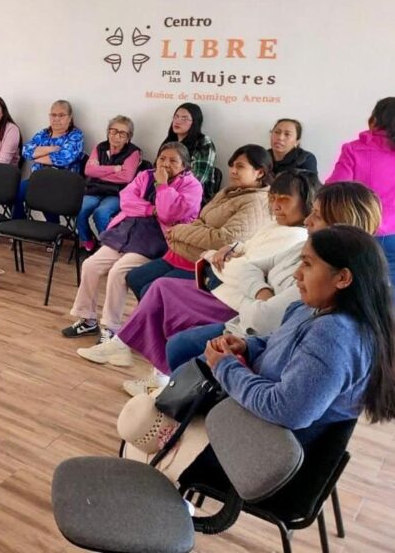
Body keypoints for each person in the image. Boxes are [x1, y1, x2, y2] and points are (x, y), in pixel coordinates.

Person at [177, 225, 395, 496]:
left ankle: (168, 507)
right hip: (261, 429)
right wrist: (247, 346)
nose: (297, 273)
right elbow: (279, 342)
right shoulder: (315, 309)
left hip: (267, 456)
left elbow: (287, 410)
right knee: (163, 417)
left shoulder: (335, 336)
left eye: (307, 264)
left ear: (343, 278)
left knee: (161, 437)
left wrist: (225, 367)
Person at [87, 171, 319, 387]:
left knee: (162, 292)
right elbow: (237, 246)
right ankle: (143, 361)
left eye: (285, 200)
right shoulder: (266, 218)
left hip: (233, 302)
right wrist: (228, 250)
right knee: (157, 287)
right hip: (219, 283)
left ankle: (154, 370)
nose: (276, 206)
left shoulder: (294, 235)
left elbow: (241, 264)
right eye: (274, 198)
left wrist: (220, 255)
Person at [165, 181, 383, 375]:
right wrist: (263, 292)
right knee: (177, 344)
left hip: (262, 346)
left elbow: (263, 320)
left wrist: (248, 297)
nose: (307, 220)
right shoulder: (303, 245)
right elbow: (249, 267)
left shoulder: (326, 277)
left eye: (317, 215)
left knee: (180, 350)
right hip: (242, 326)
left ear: (341, 224)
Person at [61, 142, 202, 344]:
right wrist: (151, 210)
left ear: (185, 166)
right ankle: (87, 319)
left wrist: (162, 186)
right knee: (90, 265)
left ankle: (111, 327)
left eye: (173, 161)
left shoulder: (192, 186)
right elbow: (126, 200)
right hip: (127, 231)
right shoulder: (145, 175)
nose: (165, 164)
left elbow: (169, 213)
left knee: (119, 272)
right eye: (162, 158)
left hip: (156, 239)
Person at [124, 144, 273, 300]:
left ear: (259, 172)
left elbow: (224, 239)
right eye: (232, 166)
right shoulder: (229, 191)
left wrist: (179, 231)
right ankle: (154, 318)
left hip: (204, 263)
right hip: (183, 251)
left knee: (151, 289)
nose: (233, 171)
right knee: (135, 278)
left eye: (240, 167)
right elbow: (201, 220)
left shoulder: (256, 202)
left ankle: (160, 319)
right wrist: (180, 234)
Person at [327, 96, 395, 279]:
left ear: (373, 121)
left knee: (360, 291)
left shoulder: (354, 150)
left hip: (359, 234)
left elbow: (335, 190)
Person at [78, 115, 143, 251]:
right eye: (113, 131)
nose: (117, 136)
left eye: (122, 133)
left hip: (117, 193)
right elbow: (89, 170)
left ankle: (109, 247)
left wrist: (100, 172)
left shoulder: (134, 152)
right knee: (79, 209)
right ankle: (87, 240)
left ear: (128, 137)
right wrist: (114, 169)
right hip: (94, 190)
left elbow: (126, 177)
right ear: (108, 132)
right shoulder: (100, 147)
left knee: (101, 213)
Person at [14, 100, 85, 221]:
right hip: (38, 179)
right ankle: (18, 223)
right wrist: (51, 148)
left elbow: (64, 158)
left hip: (63, 182)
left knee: (45, 193)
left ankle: (53, 228)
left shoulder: (76, 135)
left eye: (61, 115)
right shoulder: (44, 133)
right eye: (53, 115)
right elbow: (26, 151)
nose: (56, 119)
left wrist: (38, 155)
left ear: (70, 117)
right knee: (16, 191)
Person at [163, 103, 218, 201]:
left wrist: (165, 187)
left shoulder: (204, 142)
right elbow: (157, 169)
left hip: (192, 197)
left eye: (184, 119)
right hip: (165, 191)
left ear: (195, 122)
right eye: (176, 117)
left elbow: (197, 180)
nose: (177, 121)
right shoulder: (169, 142)